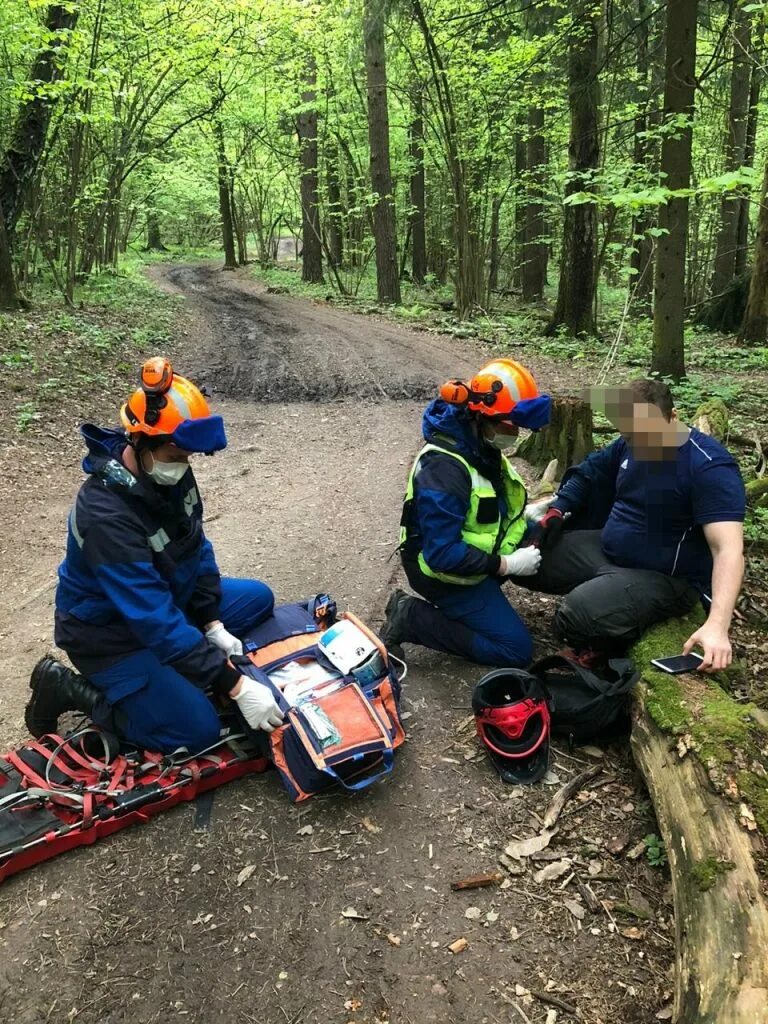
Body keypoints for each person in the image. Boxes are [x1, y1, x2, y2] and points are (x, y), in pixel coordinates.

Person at [25, 357, 284, 752]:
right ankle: (74, 690)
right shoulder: (105, 514)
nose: (183, 467)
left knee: (258, 598)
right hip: (111, 636)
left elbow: (197, 545)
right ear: (141, 442)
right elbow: (152, 618)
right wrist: (235, 685)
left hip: (165, 602)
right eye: (176, 456)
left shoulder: (167, 473)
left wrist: (211, 621)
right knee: (196, 730)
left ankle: (177, 663)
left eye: (187, 458)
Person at [523, 378, 746, 671]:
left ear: (674, 418)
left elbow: (728, 550)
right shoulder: (632, 440)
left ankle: (604, 644)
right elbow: (589, 472)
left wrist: (717, 625)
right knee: (528, 551)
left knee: (575, 616)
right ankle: (608, 596)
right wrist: (559, 507)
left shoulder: (708, 467)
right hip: (608, 549)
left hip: (665, 578)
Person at [381, 359, 551, 666]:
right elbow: (442, 553)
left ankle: (482, 598)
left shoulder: (478, 446)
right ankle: (410, 617)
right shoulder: (445, 468)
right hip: (440, 572)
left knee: (546, 533)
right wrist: (506, 565)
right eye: (509, 424)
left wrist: (529, 516)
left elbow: (485, 508)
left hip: (472, 559)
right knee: (515, 650)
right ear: (480, 415)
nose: (514, 432)